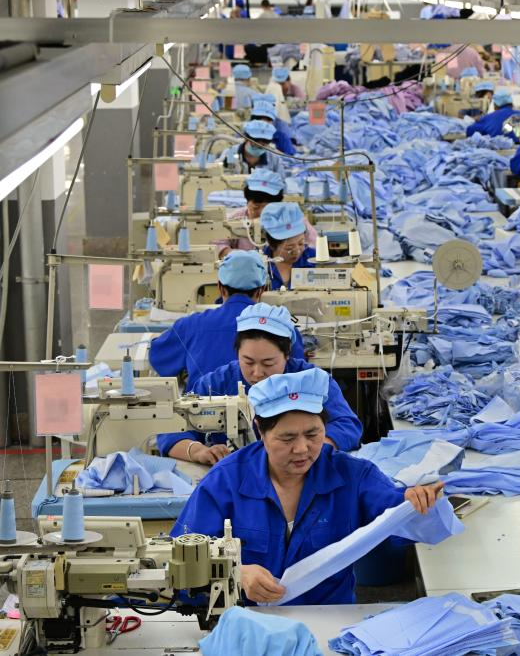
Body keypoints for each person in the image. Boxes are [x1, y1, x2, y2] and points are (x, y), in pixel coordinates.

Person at [172, 368, 453, 605]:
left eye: (313, 434)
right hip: (250, 620)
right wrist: (237, 572)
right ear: (260, 430)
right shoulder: (225, 481)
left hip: (329, 617)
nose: (302, 449)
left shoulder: (353, 476)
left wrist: (421, 502)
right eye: (287, 438)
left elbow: (405, 524)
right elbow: (182, 559)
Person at [157, 304, 362, 464]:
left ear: (287, 354)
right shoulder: (215, 383)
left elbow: (347, 425)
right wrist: (198, 451)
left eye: (268, 363)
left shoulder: (312, 381)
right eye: (248, 362)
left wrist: (310, 449)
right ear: (237, 353)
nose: (257, 373)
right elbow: (171, 431)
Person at [149, 251, 306, 390]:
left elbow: (159, 360)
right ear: (262, 290)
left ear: (220, 288)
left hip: (204, 410)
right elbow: (297, 373)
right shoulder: (283, 329)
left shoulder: (190, 325)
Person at [213, 167, 318, 258]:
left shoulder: (294, 219)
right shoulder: (235, 219)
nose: (262, 213)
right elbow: (217, 244)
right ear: (247, 201)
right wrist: (237, 256)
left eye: (269, 208)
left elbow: (315, 244)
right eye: (256, 207)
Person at [261, 202, 315, 290]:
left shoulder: (314, 259)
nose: (297, 251)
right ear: (272, 246)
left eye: (301, 243)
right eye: (289, 248)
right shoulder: (259, 265)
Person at [220, 120, 285, 175]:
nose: (260, 144)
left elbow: (281, 182)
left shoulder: (274, 159)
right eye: (256, 140)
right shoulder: (231, 153)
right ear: (246, 138)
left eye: (265, 141)